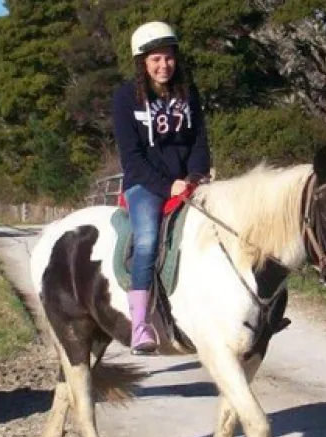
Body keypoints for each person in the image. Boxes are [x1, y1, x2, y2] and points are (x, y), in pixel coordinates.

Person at [110, 20, 214, 355]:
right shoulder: (126, 98)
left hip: (189, 182)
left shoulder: (188, 92)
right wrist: (167, 185)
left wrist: (196, 177)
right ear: (142, 62)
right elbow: (132, 157)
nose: (163, 65)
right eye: (155, 59)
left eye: (168, 58)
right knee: (148, 239)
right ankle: (141, 323)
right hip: (146, 184)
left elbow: (199, 142)